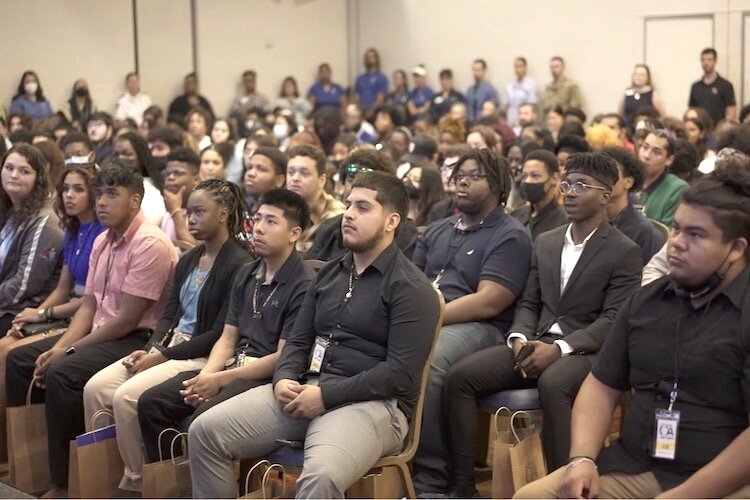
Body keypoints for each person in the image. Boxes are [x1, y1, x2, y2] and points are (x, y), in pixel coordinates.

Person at [188, 170, 440, 498]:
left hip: (372, 404)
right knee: (205, 432)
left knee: (319, 476)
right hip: (307, 389)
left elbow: (400, 375)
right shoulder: (329, 272)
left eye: (363, 208)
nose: (348, 214)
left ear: (392, 221)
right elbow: (299, 341)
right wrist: (284, 379)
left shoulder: (410, 287)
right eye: (348, 204)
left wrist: (325, 396)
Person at [516, 163, 750, 499]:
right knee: (530, 497)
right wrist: (581, 458)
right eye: (677, 229)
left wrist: (686, 495)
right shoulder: (649, 300)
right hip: (636, 466)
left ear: (737, 249)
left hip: (725, 481)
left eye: (696, 235)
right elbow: (601, 385)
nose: (676, 244)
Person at [443, 153, 642, 497]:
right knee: (460, 376)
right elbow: (529, 302)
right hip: (537, 341)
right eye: (567, 184)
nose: (571, 192)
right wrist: (519, 338)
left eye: (582, 185)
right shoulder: (547, 241)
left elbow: (613, 320)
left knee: (553, 381)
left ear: (606, 195)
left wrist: (561, 349)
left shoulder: (624, 251)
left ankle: (562, 485)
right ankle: (463, 487)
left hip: (590, 349)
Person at [5, 161, 177, 498]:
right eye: (99, 193)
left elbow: (127, 319)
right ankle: (30, 464)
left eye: (112, 194)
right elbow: (89, 306)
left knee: (62, 373)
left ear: (135, 201)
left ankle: (66, 482)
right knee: (22, 360)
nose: (101, 202)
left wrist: (69, 350)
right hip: (101, 329)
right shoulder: (103, 240)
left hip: (136, 337)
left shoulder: (150, 243)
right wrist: (60, 346)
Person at [81, 179, 251, 493]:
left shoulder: (240, 264)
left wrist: (163, 355)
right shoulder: (187, 259)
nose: (192, 220)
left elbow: (218, 334)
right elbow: (168, 316)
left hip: (203, 354)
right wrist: (152, 348)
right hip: (168, 347)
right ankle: (108, 475)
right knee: (96, 388)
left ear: (224, 213)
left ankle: (139, 482)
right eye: (189, 212)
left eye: (201, 212)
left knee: (127, 397)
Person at [137, 188, 313, 467]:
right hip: (231, 365)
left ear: (294, 233)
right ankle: (171, 488)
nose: (259, 229)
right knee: (151, 402)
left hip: (264, 377)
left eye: (271, 221)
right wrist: (206, 376)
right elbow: (228, 337)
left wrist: (218, 380)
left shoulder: (304, 284)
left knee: (200, 418)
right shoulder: (248, 273)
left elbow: (284, 356)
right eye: (257, 219)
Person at [411, 148, 533, 495]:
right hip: (431, 318)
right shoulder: (436, 230)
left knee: (430, 363)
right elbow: (410, 283)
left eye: (475, 176)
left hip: (483, 329)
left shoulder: (510, 234)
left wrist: (426, 320)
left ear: (496, 183)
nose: (462, 181)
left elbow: (489, 301)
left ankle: (433, 477)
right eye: (459, 174)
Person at [307, 149, 419, 261]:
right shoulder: (329, 228)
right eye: (351, 179)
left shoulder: (404, 233)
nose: (356, 187)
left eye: (363, 208)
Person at [602, 146, 666, 263]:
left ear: (628, 182)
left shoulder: (644, 233)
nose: (601, 179)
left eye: (610, 173)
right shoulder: (589, 221)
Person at [285, 145, 345, 254]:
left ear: (321, 180)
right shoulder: (282, 208)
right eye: (291, 172)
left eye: (304, 173)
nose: (295, 178)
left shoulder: (336, 215)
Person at [511, 150, 568, 241]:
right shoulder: (516, 215)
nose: (528, 181)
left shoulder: (565, 222)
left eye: (535, 176)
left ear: (554, 178)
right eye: (525, 176)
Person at [114, 132, 167, 226]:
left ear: (140, 157)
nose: (120, 158)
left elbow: (150, 223)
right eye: (117, 154)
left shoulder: (151, 191)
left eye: (127, 154)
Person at [639, 129, 688, 227]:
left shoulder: (677, 189)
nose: (646, 155)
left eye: (656, 152)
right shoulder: (627, 180)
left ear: (669, 160)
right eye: (645, 147)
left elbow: (666, 234)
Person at [160, 147, 201, 248]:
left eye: (178, 173)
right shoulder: (164, 208)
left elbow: (196, 252)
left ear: (195, 179)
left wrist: (175, 211)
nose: (171, 177)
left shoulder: (202, 211)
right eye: (167, 174)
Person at [688, 48, 737, 125]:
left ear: (715, 61)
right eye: (703, 60)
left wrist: (723, 130)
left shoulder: (726, 85)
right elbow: (691, 111)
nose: (706, 63)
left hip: (720, 133)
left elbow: (731, 112)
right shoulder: (695, 87)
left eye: (709, 60)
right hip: (701, 132)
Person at [243, 146, 287, 214]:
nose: (251, 173)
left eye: (261, 169)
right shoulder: (240, 205)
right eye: (249, 168)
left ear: (279, 180)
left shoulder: (284, 213)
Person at [504, 57, 538, 128]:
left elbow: (532, 104)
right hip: (511, 118)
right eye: (516, 66)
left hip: (525, 119)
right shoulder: (510, 84)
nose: (518, 69)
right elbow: (506, 105)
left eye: (520, 66)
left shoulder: (531, 84)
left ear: (525, 68)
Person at [354, 48, 389, 119]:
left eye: (372, 57)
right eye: (367, 57)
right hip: (361, 112)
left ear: (376, 59)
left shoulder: (381, 78)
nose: (369, 59)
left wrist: (371, 111)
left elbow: (380, 99)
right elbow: (357, 98)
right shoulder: (360, 78)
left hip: (375, 112)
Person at [466, 59, 499, 123]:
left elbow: (492, 109)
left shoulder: (490, 89)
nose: (475, 73)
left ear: (483, 71)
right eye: (474, 70)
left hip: (484, 123)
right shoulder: (469, 90)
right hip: (470, 123)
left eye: (478, 70)